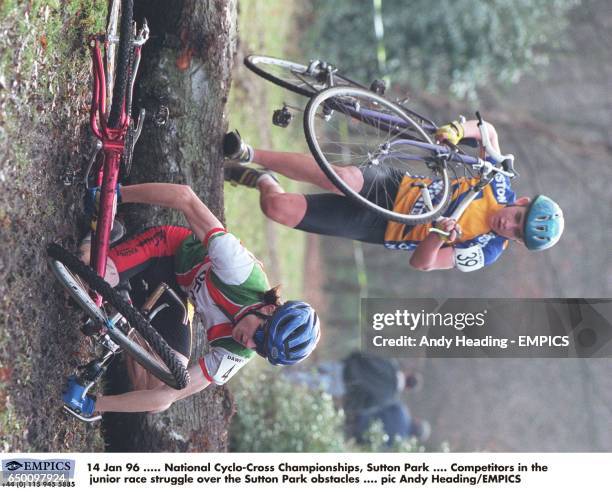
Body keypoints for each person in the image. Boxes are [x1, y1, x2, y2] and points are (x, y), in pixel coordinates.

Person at [62, 182, 320, 418]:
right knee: (86, 276)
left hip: (176, 294)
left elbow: (167, 397)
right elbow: (186, 197)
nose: (250, 342)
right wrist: (116, 195)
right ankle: (102, 239)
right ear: (269, 308)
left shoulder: (237, 354)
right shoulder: (238, 270)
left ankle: (122, 303)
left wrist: (91, 404)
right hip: (165, 252)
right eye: (261, 334)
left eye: (260, 349)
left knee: (163, 382)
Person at [223, 119, 564, 272]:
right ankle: (250, 154)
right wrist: (460, 131)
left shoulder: (485, 251)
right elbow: (487, 132)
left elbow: (422, 264)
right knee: (341, 178)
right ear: (521, 203)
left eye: (516, 232)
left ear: (515, 242)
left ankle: (262, 179)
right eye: (518, 218)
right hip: (394, 186)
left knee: (277, 207)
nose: (509, 225)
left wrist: (436, 237)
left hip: (380, 228)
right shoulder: (500, 183)